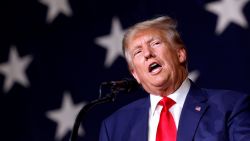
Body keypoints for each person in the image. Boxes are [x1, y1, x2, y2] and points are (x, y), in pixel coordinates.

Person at [99, 16, 250, 141]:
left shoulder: (231, 107)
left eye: (155, 43)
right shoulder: (113, 127)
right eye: (137, 52)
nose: (147, 54)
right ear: (135, 74)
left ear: (180, 54)